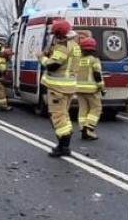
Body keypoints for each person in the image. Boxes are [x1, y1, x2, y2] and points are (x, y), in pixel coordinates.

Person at [40, 18, 82, 157]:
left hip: (58, 88)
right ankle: (63, 144)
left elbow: (53, 65)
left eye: (55, 34)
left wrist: (42, 58)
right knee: (63, 115)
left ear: (59, 34)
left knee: (58, 116)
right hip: (68, 87)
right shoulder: (74, 45)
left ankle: (64, 146)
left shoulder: (63, 46)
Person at [78, 35, 103, 139]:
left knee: (83, 108)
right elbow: (97, 74)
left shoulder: (79, 60)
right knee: (96, 108)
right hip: (91, 89)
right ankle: (89, 128)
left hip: (79, 88)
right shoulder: (94, 60)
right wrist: (101, 87)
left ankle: (82, 127)